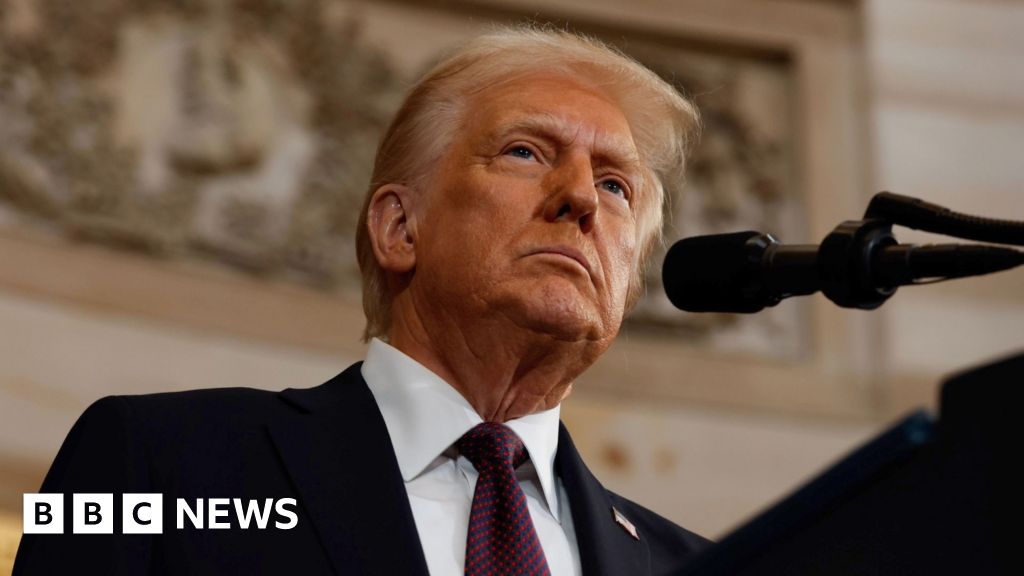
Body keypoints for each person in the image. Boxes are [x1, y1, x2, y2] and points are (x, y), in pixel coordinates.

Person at [15, 26, 708, 575]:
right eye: (526, 152)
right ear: (399, 228)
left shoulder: (696, 566)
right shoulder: (147, 460)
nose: (582, 197)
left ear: (630, 280)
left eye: (618, 186)